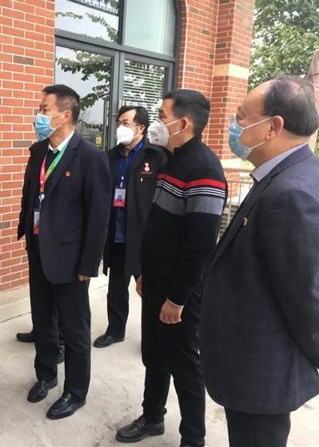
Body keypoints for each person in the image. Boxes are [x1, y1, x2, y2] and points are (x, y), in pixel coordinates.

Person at [199, 76, 319, 447]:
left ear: (273, 126)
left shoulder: (291, 192)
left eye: (241, 117)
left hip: (261, 369)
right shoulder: (290, 172)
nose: (234, 125)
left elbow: (306, 293)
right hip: (252, 362)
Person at [116, 90, 226, 446]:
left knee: (184, 365)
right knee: (154, 355)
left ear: (184, 123)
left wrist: (177, 299)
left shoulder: (205, 169)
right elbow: (158, 226)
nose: (157, 123)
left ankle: (193, 438)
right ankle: (152, 417)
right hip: (157, 281)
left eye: (163, 116)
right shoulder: (170, 160)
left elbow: (200, 245)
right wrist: (145, 273)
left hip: (181, 291)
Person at [18, 85, 110, 419]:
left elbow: (98, 216)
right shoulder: (38, 151)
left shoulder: (90, 157)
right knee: (43, 320)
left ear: (65, 115)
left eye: (44, 110)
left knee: (74, 329)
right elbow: (31, 194)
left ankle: (75, 391)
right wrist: (27, 232)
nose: (38, 116)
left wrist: (88, 263)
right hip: (39, 250)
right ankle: (46, 375)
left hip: (71, 260)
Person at [94, 106, 167, 349]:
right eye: (119, 123)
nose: (120, 128)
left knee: (151, 290)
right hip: (117, 232)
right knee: (116, 288)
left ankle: (155, 338)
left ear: (140, 128)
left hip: (145, 236)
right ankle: (115, 330)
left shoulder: (156, 156)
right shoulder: (110, 156)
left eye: (126, 123)